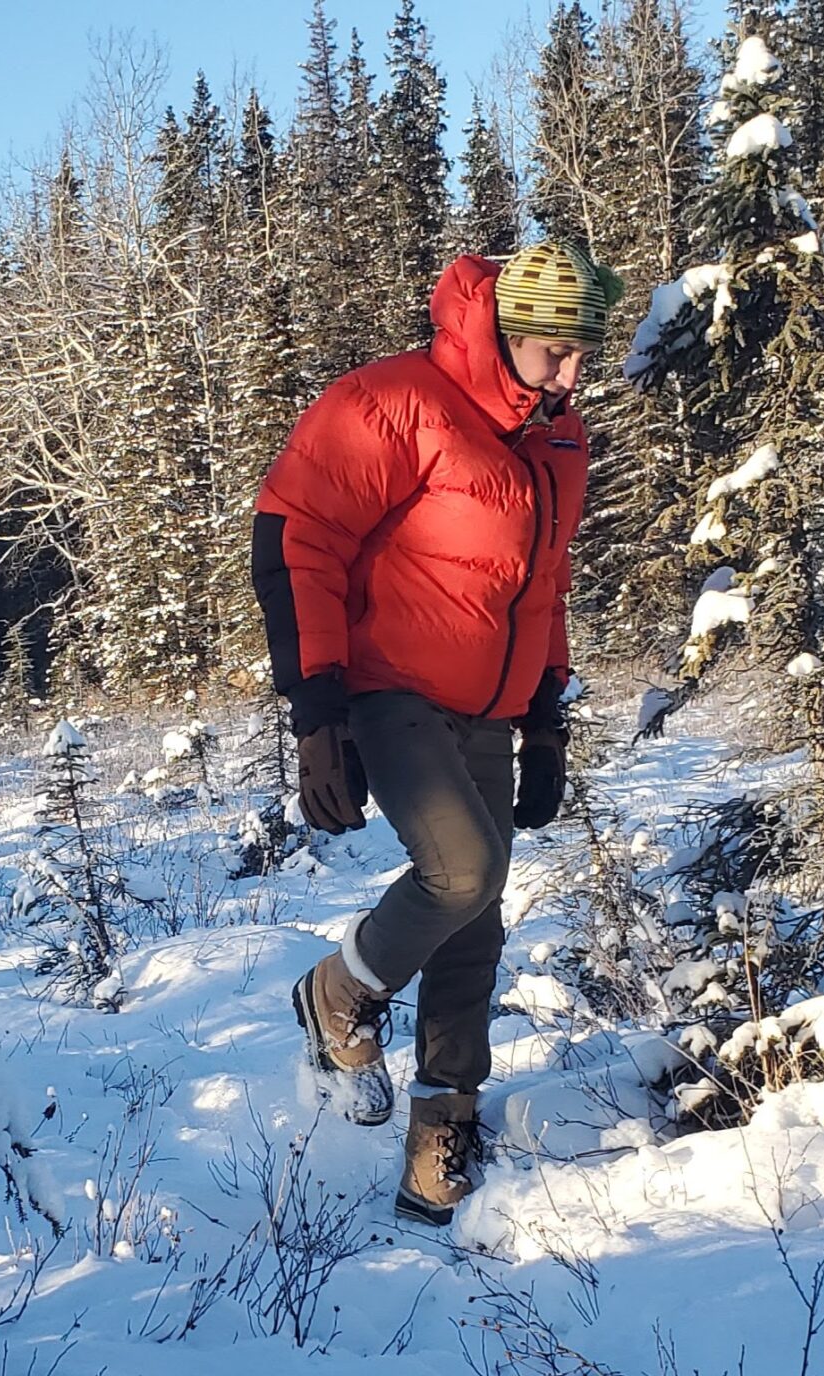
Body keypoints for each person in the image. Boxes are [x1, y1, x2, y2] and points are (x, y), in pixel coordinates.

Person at [251, 239, 622, 1226]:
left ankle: (439, 1136)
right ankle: (338, 992)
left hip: (491, 707)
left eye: (584, 352)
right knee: (459, 872)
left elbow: (543, 586)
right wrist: (317, 714)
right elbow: (294, 540)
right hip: (386, 689)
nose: (573, 374)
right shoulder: (390, 405)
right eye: (556, 352)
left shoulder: (557, 442)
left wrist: (545, 720)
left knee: (476, 922)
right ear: (504, 333)